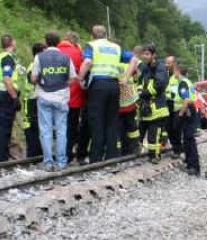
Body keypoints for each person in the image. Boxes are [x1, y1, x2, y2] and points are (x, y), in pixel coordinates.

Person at [78, 25, 137, 163]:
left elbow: (87, 62)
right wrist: (126, 78)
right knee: (112, 121)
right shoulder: (115, 47)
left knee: (96, 121)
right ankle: (112, 155)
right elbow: (134, 60)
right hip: (114, 85)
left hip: (98, 86)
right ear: (105, 35)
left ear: (92, 35)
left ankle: (96, 157)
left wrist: (80, 78)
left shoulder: (91, 45)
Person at [31, 31, 77, 171]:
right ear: (58, 42)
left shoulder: (39, 57)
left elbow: (33, 78)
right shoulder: (66, 58)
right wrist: (63, 85)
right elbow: (73, 77)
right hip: (61, 97)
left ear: (46, 42)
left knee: (45, 130)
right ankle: (62, 162)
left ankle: (48, 162)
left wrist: (42, 82)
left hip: (44, 97)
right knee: (61, 130)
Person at [57, 31, 89, 164]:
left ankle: (57, 155)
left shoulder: (53, 51)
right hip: (73, 96)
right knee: (71, 127)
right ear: (75, 42)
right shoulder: (77, 53)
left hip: (54, 95)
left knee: (57, 127)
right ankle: (67, 154)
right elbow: (84, 69)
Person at [136, 44, 169, 164]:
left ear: (153, 55)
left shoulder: (160, 67)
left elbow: (160, 84)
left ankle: (155, 156)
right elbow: (140, 83)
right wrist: (140, 92)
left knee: (154, 135)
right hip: (146, 106)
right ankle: (148, 154)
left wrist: (145, 93)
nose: (144, 57)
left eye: (147, 54)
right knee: (143, 132)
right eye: (143, 54)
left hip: (157, 107)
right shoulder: (145, 68)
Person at [0, 34, 21, 162]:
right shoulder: (8, 58)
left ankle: (3, 154)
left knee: (0, 126)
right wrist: (14, 97)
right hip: (6, 95)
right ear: (11, 43)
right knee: (5, 127)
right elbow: (7, 78)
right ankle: (3, 158)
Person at [20, 43, 46, 158]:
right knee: (31, 127)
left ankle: (36, 155)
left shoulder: (35, 66)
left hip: (34, 99)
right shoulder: (34, 67)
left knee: (36, 127)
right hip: (31, 100)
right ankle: (33, 156)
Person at [175, 63, 200, 176]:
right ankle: (190, 163)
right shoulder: (188, 82)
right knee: (187, 138)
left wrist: (180, 113)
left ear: (178, 71)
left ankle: (193, 166)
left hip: (188, 111)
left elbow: (186, 100)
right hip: (191, 110)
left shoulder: (183, 83)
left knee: (189, 139)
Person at [117, 46, 143, 155]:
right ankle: (135, 147)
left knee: (119, 126)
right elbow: (138, 77)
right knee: (132, 125)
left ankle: (120, 150)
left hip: (118, 101)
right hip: (131, 100)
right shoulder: (130, 66)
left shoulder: (113, 66)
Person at [164, 55, 182, 158]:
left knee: (176, 128)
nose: (167, 65)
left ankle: (178, 149)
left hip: (177, 105)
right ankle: (176, 148)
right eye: (166, 62)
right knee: (169, 127)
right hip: (168, 104)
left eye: (169, 63)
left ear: (174, 64)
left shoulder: (178, 75)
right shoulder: (165, 74)